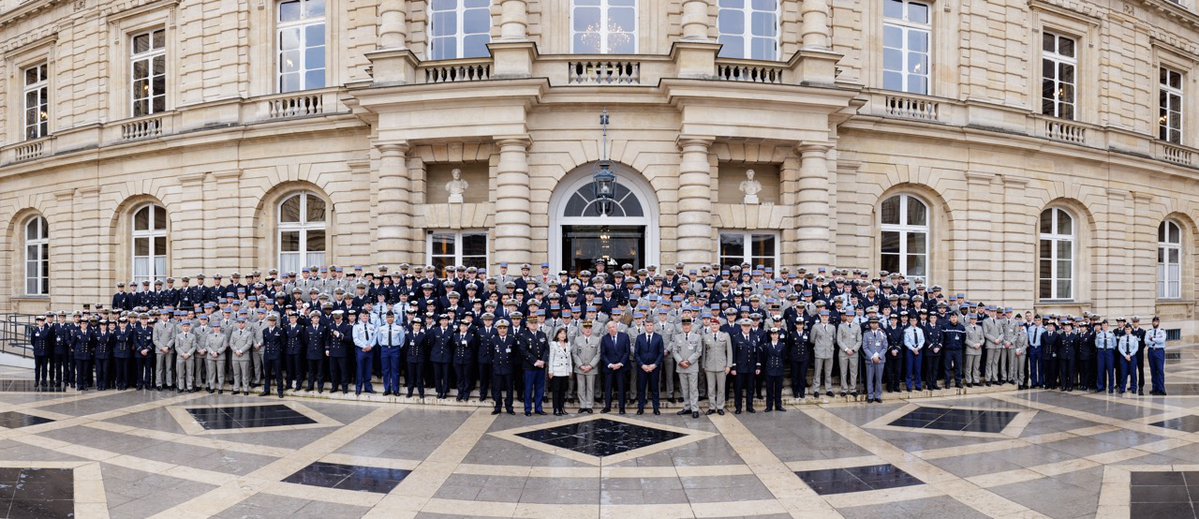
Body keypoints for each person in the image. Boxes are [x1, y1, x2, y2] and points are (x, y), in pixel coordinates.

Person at [672, 317, 703, 418]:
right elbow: (674, 351)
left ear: (691, 326)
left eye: (688, 325)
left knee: (693, 389)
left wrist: (689, 361)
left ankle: (694, 408)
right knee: (684, 389)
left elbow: (698, 351)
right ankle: (687, 407)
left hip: (692, 367)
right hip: (681, 367)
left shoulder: (697, 337)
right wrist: (680, 361)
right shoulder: (677, 337)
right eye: (684, 325)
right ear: (682, 326)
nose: (686, 327)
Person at [519, 316, 548, 416]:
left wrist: (543, 361)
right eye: (531, 323)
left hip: (541, 367)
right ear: (527, 325)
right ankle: (528, 409)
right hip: (530, 367)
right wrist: (535, 361)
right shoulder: (523, 335)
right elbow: (523, 351)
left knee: (540, 388)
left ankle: (538, 408)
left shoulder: (542, 334)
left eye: (535, 323)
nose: (534, 325)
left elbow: (546, 349)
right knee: (528, 388)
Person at [703, 317, 732, 415]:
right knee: (711, 389)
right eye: (712, 325)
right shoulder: (706, 336)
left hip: (721, 366)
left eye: (716, 324)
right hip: (709, 366)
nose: (714, 326)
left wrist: (728, 365)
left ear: (719, 325)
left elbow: (729, 352)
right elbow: (704, 353)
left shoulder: (725, 335)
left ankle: (720, 407)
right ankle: (712, 407)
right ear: (710, 326)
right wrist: (704, 366)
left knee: (721, 388)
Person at [731, 318, 760, 414]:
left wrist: (758, 366)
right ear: (741, 326)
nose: (746, 328)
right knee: (738, 388)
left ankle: (749, 406)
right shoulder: (736, 337)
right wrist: (733, 367)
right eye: (744, 326)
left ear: (751, 326)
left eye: (748, 326)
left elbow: (757, 354)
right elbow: (734, 354)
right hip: (740, 368)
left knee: (750, 388)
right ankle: (738, 407)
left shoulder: (755, 337)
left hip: (751, 367)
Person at [571, 320, 601, 414]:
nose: (587, 330)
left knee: (590, 387)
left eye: (589, 328)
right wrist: (580, 365)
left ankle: (589, 405)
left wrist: (591, 366)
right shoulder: (577, 339)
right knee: (581, 387)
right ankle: (582, 405)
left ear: (592, 329)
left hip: (591, 368)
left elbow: (598, 354)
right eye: (586, 328)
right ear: (582, 329)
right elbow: (574, 353)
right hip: (580, 368)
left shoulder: (597, 339)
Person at [600, 320, 629, 414]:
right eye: (609, 328)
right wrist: (610, 364)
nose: (612, 329)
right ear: (607, 329)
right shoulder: (604, 338)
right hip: (609, 367)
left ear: (617, 327)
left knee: (621, 388)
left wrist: (620, 363)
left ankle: (621, 408)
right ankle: (607, 407)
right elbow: (603, 354)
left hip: (621, 367)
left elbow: (626, 352)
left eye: (613, 327)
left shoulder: (624, 336)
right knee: (608, 388)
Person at [490, 319, 517, 415]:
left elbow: (515, 354)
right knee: (497, 389)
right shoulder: (493, 339)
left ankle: (509, 407)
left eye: (504, 328)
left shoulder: (512, 339)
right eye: (500, 328)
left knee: (509, 389)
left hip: (508, 368)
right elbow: (491, 354)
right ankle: (498, 406)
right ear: (497, 329)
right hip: (497, 368)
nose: (502, 330)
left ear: (507, 329)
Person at [377, 311, 405, 396]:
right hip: (385, 349)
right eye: (388, 317)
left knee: (395, 370)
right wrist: (386, 346)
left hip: (395, 349)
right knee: (386, 370)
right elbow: (379, 340)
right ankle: (387, 389)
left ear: (394, 318)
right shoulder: (381, 328)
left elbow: (402, 340)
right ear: (386, 318)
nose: (390, 319)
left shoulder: (399, 328)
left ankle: (396, 390)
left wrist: (395, 347)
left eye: (391, 317)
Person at [426, 314, 453, 399]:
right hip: (436, 356)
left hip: (447, 356)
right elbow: (432, 344)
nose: (444, 322)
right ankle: (439, 391)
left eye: (446, 320)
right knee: (437, 375)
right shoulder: (435, 330)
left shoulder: (451, 331)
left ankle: (445, 391)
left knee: (446, 375)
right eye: (442, 320)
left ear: (448, 321)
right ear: (440, 321)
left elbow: (452, 345)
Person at [760, 327, 787, 412]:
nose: (774, 336)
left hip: (779, 370)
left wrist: (781, 366)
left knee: (778, 389)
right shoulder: (767, 345)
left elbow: (783, 357)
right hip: (769, 370)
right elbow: (764, 358)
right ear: (770, 335)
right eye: (773, 334)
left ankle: (778, 405)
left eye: (776, 334)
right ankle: (769, 406)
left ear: (778, 335)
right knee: (769, 389)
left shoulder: (782, 345)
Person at [811, 310, 836, 397]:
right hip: (819, 351)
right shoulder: (815, 327)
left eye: (826, 316)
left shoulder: (832, 327)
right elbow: (812, 339)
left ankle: (828, 389)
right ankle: (816, 389)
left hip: (829, 351)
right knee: (817, 371)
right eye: (823, 316)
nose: (825, 318)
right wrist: (819, 345)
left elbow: (834, 339)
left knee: (828, 372)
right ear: (820, 317)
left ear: (828, 317)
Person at [836, 312, 862, 396]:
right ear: (845, 317)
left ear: (854, 317)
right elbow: (839, 340)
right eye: (848, 316)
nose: (850, 318)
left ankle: (853, 389)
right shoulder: (841, 326)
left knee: (853, 372)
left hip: (854, 353)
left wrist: (853, 349)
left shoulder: (857, 326)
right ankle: (844, 389)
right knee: (843, 372)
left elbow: (859, 340)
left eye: (851, 316)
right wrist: (846, 349)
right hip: (843, 352)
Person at [548, 328, 573, 416]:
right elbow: (551, 358)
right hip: (556, 371)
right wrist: (550, 371)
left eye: (564, 333)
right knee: (556, 391)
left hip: (565, 371)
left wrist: (570, 370)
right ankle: (556, 408)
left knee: (563, 391)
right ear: (557, 335)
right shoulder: (554, 344)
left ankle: (562, 408)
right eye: (561, 333)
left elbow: (569, 358)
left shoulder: (568, 344)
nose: (563, 335)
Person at [260, 315, 285, 397]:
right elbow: (265, 341)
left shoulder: (280, 330)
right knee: (267, 374)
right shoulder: (265, 331)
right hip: (267, 354)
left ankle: (280, 391)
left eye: (273, 321)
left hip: (276, 355)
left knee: (278, 374)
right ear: (268, 322)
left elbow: (283, 343)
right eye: (270, 321)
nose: (271, 322)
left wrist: (278, 352)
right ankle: (266, 390)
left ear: (275, 322)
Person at [353, 312, 377, 395]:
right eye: (364, 316)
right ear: (360, 317)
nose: (365, 317)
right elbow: (355, 339)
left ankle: (368, 388)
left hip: (370, 350)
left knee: (368, 369)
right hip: (361, 350)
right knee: (360, 370)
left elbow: (375, 338)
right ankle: (358, 388)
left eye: (367, 316)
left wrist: (371, 346)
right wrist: (364, 346)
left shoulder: (372, 326)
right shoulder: (356, 326)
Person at [230, 318, 255, 395]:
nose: (240, 324)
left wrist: (240, 351)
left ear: (245, 324)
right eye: (239, 323)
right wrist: (236, 351)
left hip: (244, 356)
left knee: (245, 374)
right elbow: (231, 343)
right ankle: (236, 388)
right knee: (236, 373)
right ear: (237, 324)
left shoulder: (249, 333)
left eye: (242, 323)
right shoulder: (234, 333)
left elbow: (249, 344)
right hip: (235, 356)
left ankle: (245, 389)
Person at [941, 312, 965, 388]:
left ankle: (958, 382)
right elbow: (943, 339)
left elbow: (963, 339)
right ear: (950, 318)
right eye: (952, 317)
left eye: (955, 317)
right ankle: (947, 383)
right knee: (947, 367)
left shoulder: (961, 327)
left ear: (957, 318)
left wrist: (960, 347)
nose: (954, 318)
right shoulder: (945, 327)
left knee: (958, 367)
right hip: (948, 350)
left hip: (958, 350)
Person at [173, 320, 197, 393]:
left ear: (189, 327)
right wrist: (183, 354)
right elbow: (177, 346)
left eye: (187, 326)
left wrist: (188, 354)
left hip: (190, 357)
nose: (186, 328)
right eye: (184, 326)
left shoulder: (192, 336)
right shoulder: (178, 336)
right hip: (181, 357)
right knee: (180, 373)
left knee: (189, 372)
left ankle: (189, 387)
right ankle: (181, 387)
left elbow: (194, 346)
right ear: (182, 327)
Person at [406, 318, 427, 398]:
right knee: (411, 377)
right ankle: (410, 392)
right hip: (411, 358)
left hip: (420, 359)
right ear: (412, 326)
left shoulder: (423, 335)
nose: (417, 327)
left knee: (419, 377)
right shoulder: (408, 335)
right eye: (415, 325)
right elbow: (406, 347)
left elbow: (425, 348)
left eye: (418, 325)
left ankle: (421, 393)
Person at [1146, 317, 1168, 395]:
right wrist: (1155, 340)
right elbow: (1146, 341)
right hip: (1151, 351)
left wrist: (1153, 339)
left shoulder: (1162, 331)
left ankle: (1161, 389)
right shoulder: (1149, 332)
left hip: (1159, 351)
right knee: (1153, 370)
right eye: (1153, 322)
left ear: (1158, 322)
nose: (1155, 323)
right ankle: (1154, 388)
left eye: (1156, 322)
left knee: (1160, 370)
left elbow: (1162, 340)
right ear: (1152, 323)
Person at [205, 320, 227, 394]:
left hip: (220, 356)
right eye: (215, 327)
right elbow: (207, 345)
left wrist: (217, 352)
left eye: (217, 327)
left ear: (220, 328)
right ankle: (212, 387)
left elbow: (224, 346)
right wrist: (212, 352)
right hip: (211, 356)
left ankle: (220, 387)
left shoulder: (224, 336)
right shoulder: (209, 335)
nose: (216, 328)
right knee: (211, 373)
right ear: (213, 328)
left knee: (220, 373)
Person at [1116, 323, 1140, 395]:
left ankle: (1134, 388)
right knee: (1123, 373)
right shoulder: (1122, 338)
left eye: (1128, 329)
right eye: (1126, 329)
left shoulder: (1134, 338)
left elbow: (1136, 348)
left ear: (1131, 330)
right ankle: (1123, 388)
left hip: (1132, 356)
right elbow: (1120, 348)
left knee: (1133, 373)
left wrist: (1130, 355)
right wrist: (1125, 355)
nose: (1127, 330)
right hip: (1124, 356)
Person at [1094, 320, 1117, 394]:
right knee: (1100, 370)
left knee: (1110, 370)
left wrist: (1108, 349)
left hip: (1109, 352)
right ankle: (1100, 387)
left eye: (1106, 325)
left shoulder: (1111, 334)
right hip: (1101, 352)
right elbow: (1097, 344)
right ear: (1101, 326)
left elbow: (1114, 344)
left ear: (1108, 326)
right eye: (1103, 326)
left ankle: (1111, 387)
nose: (1104, 327)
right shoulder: (1099, 334)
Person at [904, 317, 925, 391]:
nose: (913, 322)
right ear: (909, 321)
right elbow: (906, 341)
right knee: (909, 368)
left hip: (919, 350)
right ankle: (909, 386)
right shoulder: (906, 330)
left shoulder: (920, 330)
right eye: (911, 320)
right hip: (910, 350)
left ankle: (918, 385)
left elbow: (922, 340)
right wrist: (913, 349)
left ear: (916, 321)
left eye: (914, 320)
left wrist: (918, 348)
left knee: (918, 369)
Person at [29, 316, 50, 389]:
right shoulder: (35, 330)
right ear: (38, 322)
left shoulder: (47, 330)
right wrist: (37, 347)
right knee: (37, 367)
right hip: (37, 352)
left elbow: (49, 341)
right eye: (40, 321)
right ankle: (36, 381)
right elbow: (32, 341)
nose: (42, 322)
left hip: (45, 352)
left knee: (44, 367)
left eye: (43, 321)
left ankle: (44, 381)